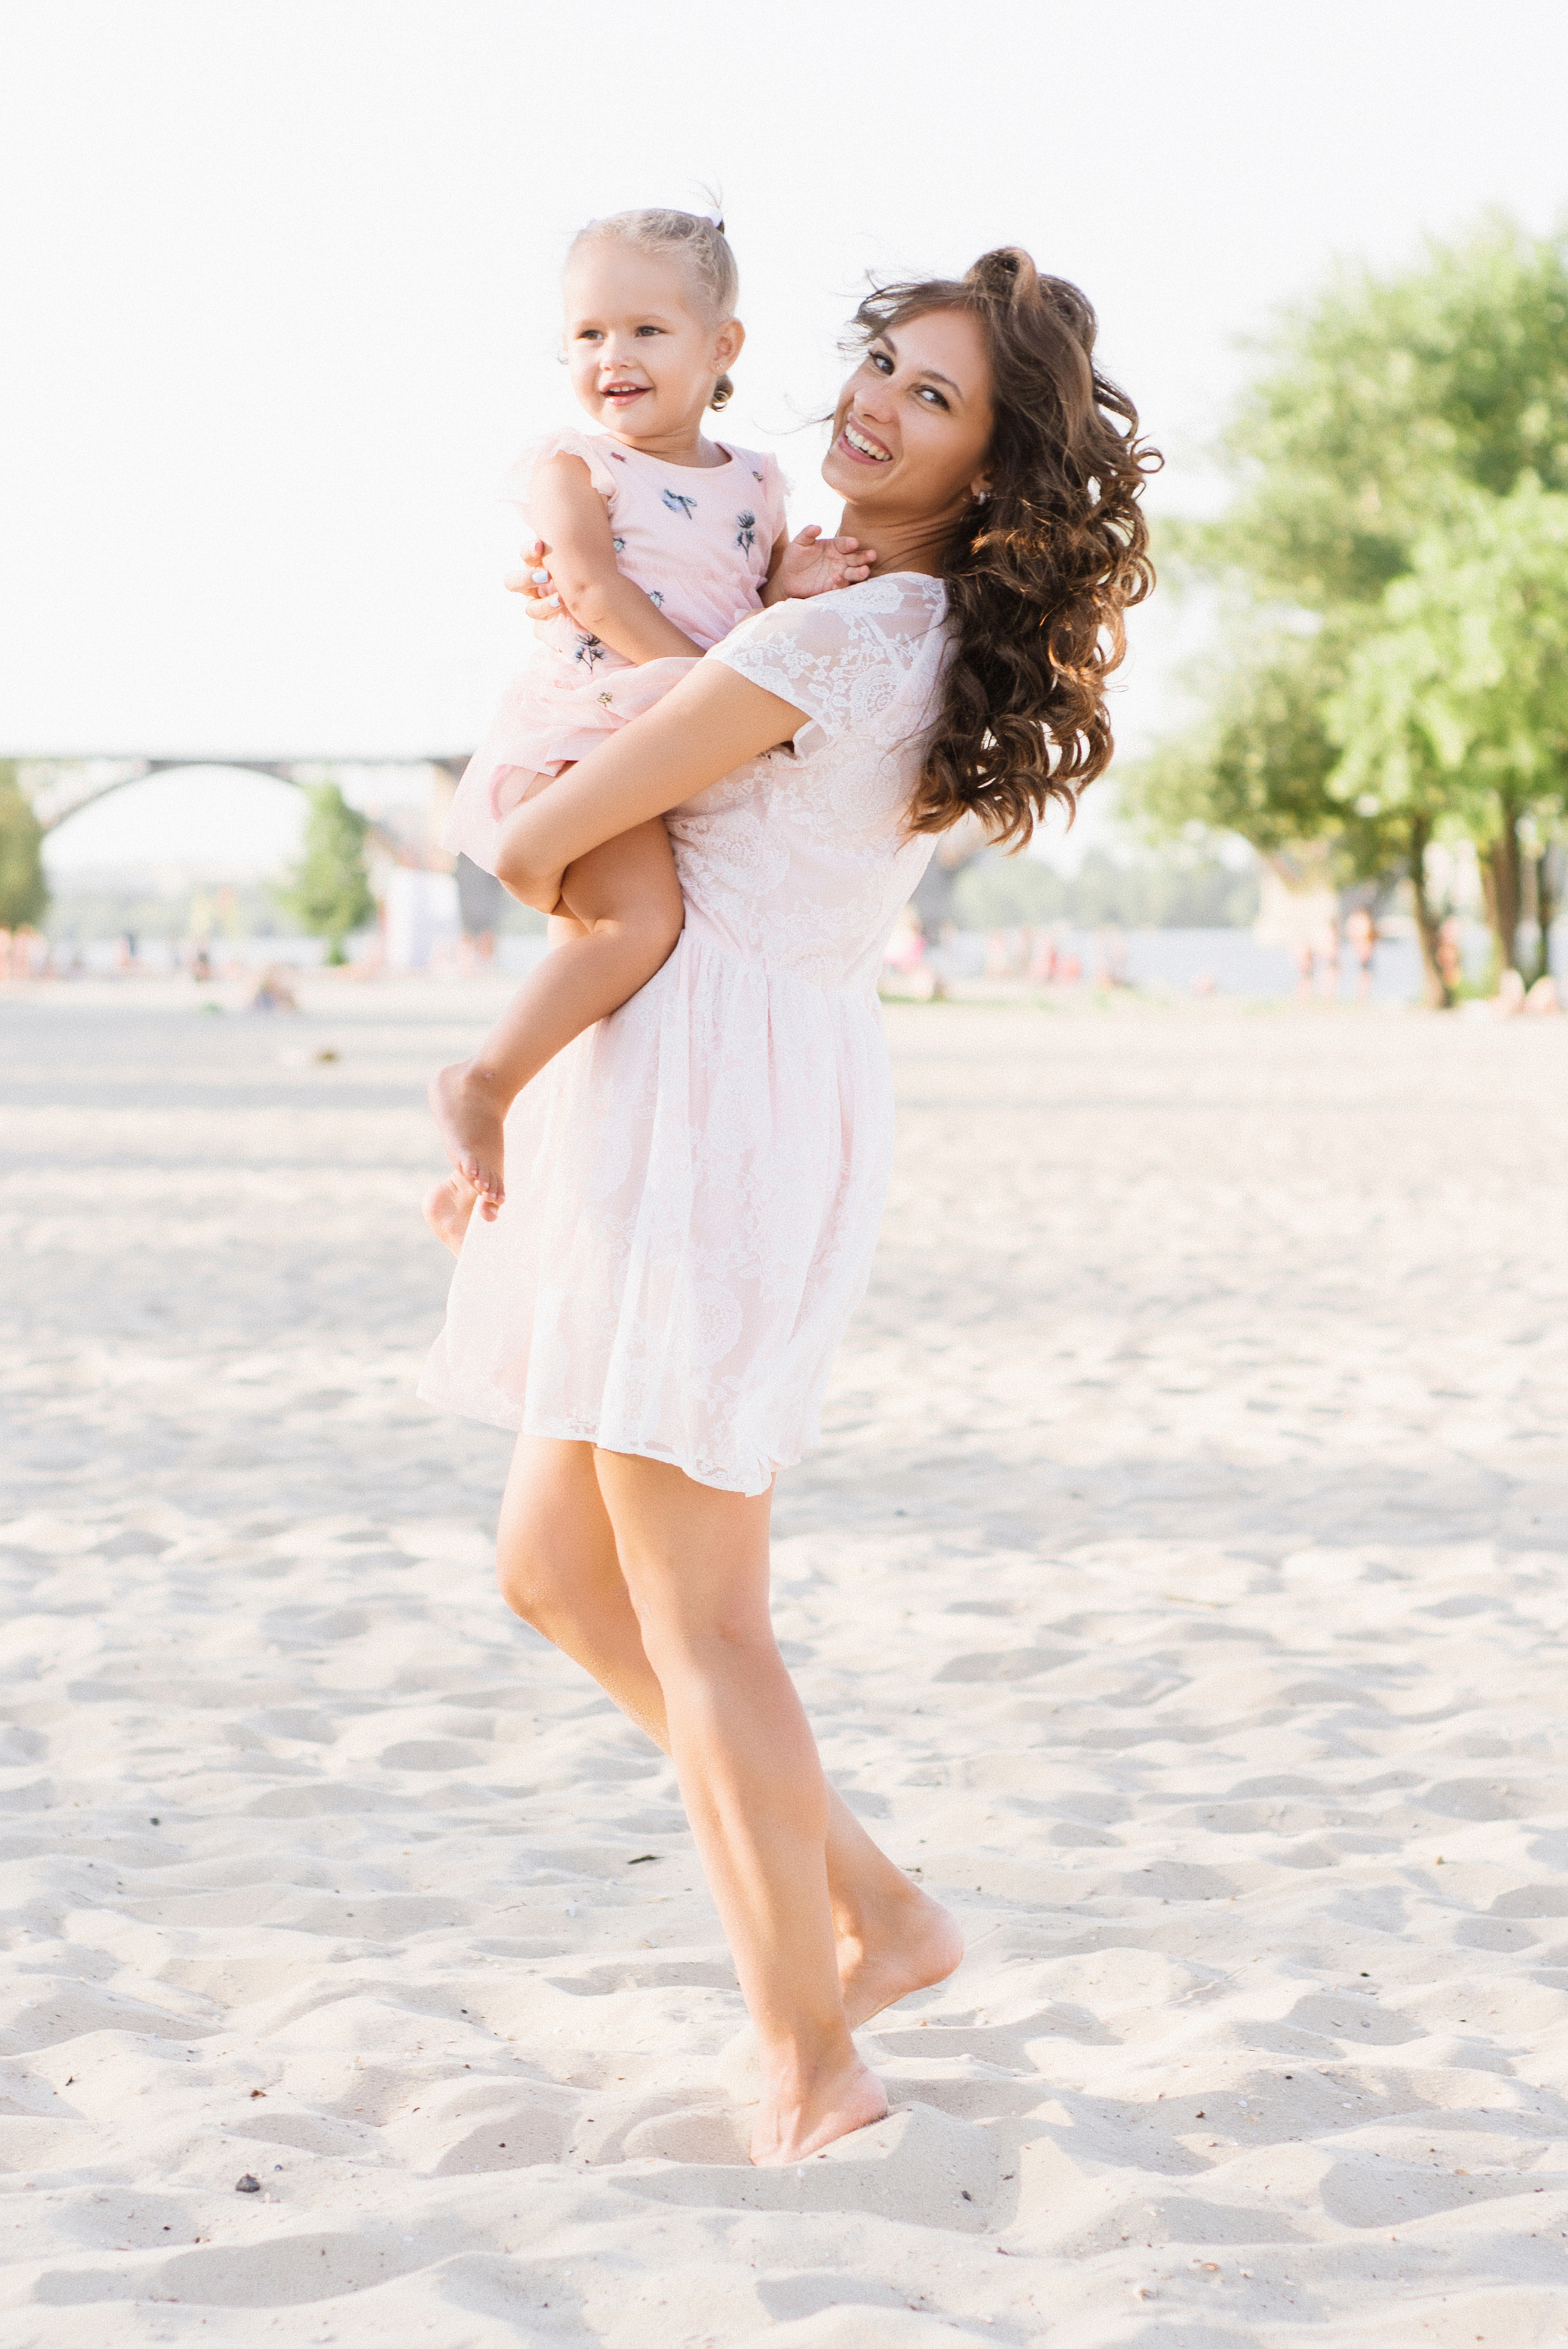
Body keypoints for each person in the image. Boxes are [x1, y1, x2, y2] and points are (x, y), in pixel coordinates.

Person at [420, 248, 1156, 2163]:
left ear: (998, 470)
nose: (876, 410)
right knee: (558, 1573)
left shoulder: (833, 640)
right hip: (719, 1084)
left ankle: (811, 2058)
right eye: (883, 371)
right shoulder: (847, 614)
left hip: (709, 1113)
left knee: (706, 1617)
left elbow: (544, 834)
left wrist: (585, 673)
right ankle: (887, 1911)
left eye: (934, 401)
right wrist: (664, 624)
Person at [426, 209, 875, 1249]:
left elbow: (746, 608)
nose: (612, 357)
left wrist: (788, 583)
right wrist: (697, 682)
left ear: (723, 347)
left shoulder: (760, 479)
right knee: (638, 929)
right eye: (588, 334)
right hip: (587, 740)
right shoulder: (574, 468)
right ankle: (482, 1082)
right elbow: (586, 586)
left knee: (612, 1000)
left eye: (646, 331)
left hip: (673, 744)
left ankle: (492, 1181)